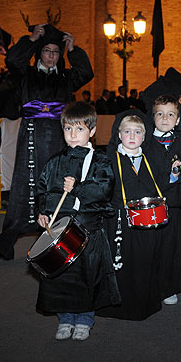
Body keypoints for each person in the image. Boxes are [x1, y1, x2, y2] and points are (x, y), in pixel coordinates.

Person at [0, 23, 94, 260]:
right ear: (39, 53)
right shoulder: (26, 75)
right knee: (24, 188)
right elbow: (13, 60)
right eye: (46, 51)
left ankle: (64, 242)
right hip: (31, 137)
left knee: (58, 188)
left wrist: (73, 50)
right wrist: (31, 40)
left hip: (59, 139)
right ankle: (5, 245)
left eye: (55, 52)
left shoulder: (66, 78)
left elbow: (86, 73)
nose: (51, 56)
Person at [35, 102, 120, 341]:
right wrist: (42, 211)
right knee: (61, 276)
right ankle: (65, 318)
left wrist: (78, 189)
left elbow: (104, 189)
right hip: (60, 227)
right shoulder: (54, 161)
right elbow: (43, 189)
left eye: (79, 129)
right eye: (68, 129)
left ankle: (84, 319)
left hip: (87, 229)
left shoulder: (100, 161)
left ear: (92, 131)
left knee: (86, 277)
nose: (73, 135)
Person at [98, 110, 170, 320]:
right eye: (127, 131)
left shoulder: (149, 160)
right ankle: (116, 305)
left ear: (144, 136)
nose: (131, 136)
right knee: (119, 262)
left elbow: (160, 185)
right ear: (118, 135)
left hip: (145, 222)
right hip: (117, 222)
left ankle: (143, 304)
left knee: (144, 261)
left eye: (137, 132)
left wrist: (173, 175)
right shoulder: (108, 159)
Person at [148, 95, 181, 305]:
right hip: (152, 202)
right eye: (160, 114)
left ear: (177, 120)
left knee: (172, 246)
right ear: (153, 117)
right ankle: (150, 283)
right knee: (151, 245)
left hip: (175, 203)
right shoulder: (145, 142)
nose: (165, 118)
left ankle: (169, 286)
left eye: (170, 115)